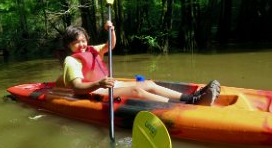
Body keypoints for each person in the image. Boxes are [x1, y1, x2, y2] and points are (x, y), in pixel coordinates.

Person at [56, 21, 220, 106]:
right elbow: (76, 87)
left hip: (105, 85)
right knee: (136, 89)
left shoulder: (91, 49)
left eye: (83, 40)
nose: (82, 45)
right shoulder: (71, 61)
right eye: (76, 43)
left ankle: (191, 97)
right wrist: (99, 83)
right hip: (93, 91)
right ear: (69, 46)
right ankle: (185, 105)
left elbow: (110, 45)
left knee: (148, 83)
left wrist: (112, 30)